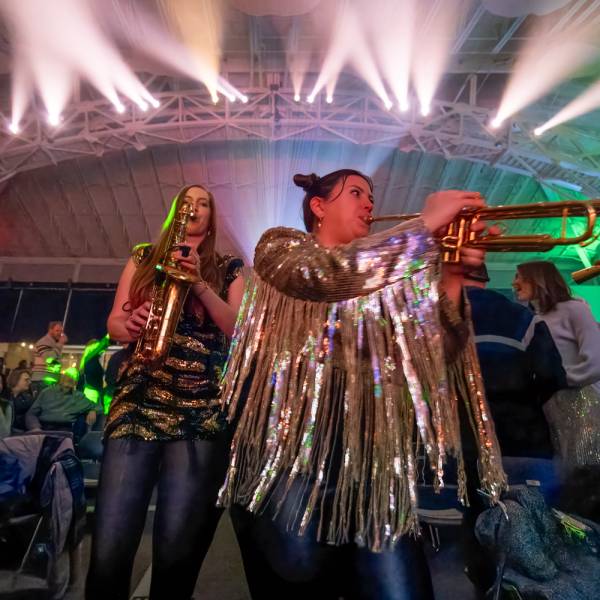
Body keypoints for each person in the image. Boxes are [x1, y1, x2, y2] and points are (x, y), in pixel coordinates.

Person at [219, 170, 506, 600]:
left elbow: (436, 350)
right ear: (318, 207)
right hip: (295, 455)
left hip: (373, 467)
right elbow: (324, 276)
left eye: (371, 196)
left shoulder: (387, 279)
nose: (369, 204)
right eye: (356, 193)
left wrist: (453, 277)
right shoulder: (280, 247)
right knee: (299, 568)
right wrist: (423, 227)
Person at [86, 184, 244, 600]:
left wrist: (200, 285)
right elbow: (114, 325)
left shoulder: (228, 267)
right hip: (138, 397)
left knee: (176, 553)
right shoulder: (142, 256)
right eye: (187, 201)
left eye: (204, 203)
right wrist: (132, 321)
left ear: (212, 217)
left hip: (200, 408)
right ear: (175, 210)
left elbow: (238, 329)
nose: (195, 208)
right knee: (110, 545)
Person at [464, 263, 565, 458]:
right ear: (484, 280)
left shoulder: (432, 320)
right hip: (522, 440)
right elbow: (553, 377)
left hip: (458, 446)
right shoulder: (524, 317)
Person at [513, 261, 600, 471]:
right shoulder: (535, 322)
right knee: (567, 468)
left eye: (519, 276)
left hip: (582, 399)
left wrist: (564, 379)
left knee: (587, 466)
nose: (514, 282)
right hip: (553, 404)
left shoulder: (574, 308)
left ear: (537, 279)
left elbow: (596, 358)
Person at [25, 367, 99, 436]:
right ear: (61, 380)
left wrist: (93, 410)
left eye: (73, 378)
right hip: (44, 428)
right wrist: (35, 428)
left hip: (65, 430)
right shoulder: (47, 392)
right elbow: (31, 414)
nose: (69, 379)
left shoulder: (78, 396)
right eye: (67, 376)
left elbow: (98, 406)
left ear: (75, 382)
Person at [31, 321, 67, 396]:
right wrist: (60, 344)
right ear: (50, 330)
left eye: (61, 331)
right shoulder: (44, 342)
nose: (60, 333)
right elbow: (49, 359)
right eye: (57, 330)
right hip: (42, 379)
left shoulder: (53, 343)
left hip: (49, 379)